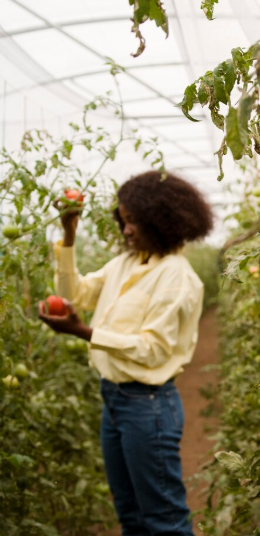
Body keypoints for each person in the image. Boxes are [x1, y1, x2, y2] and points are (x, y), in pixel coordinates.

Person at [39, 170, 213, 536]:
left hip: (148, 406)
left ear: (160, 221)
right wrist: (68, 236)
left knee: (164, 520)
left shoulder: (177, 278)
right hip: (115, 401)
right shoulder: (126, 263)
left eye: (133, 221)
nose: (126, 230)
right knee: (130, 514)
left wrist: (83, 332)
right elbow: (76, 295)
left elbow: (151, 350)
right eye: (124, 220)